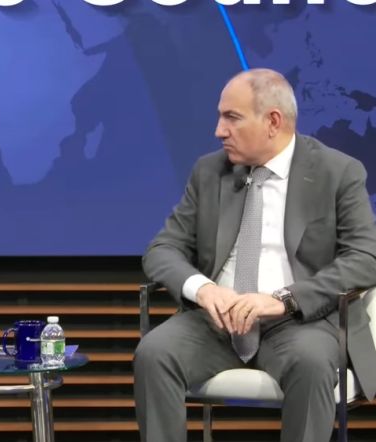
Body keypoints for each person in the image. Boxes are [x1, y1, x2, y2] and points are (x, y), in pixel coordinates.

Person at [135, 68, 376, 442]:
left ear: (273, 122)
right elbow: (162, 249)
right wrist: (203, 289)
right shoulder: (209, 171)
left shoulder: (337, 172)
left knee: (311, 364)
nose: (219, 130)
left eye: (231, 117)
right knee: (154, 353)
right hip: (216, 323)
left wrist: (284, 300)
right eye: (220, 117)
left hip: (301, 322)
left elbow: (365, 257)